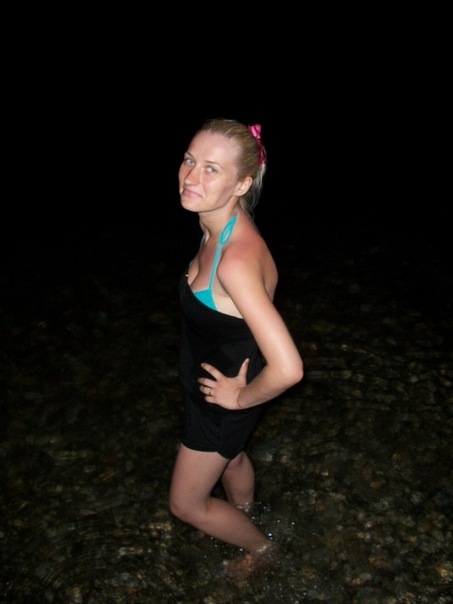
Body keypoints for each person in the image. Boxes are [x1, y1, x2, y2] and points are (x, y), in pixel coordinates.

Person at [169, 118, 304, 581]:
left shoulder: (235, 261)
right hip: (217, 382)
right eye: (189, 160)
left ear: (242, 183)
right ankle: (245, 513)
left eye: (211, 169)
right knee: (233, 457)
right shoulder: (217, 224)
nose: (191, 176)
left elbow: (289, 368)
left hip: (224, 400)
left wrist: (240, 399)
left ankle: (262, 548)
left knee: (187, 504)